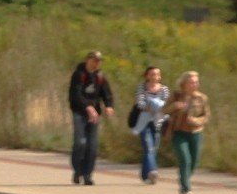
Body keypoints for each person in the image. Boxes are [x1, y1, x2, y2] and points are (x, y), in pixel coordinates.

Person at [66, 50, 114, 185]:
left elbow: (107, 93)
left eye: (99, 61)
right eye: (94, 60)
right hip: (80, 113)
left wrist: (109, 106)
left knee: (92, 146)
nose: (96, 63)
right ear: (88, 60)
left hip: (94, 115)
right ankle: (78, 170)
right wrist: (87, 107)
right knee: (80, 142)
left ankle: (87, 174)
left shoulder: (100, 76)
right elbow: (75, 95)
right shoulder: (79, 75)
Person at [165, 71, 211, 194]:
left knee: (194, 161)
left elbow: (206, 116)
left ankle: (183, 178)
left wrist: (196, 121)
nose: (194, 84)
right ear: (184, 83)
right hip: (179, 133)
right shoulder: (176, 96)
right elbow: (164, 110)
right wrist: (174, 106)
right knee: (185, 159)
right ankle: (186, 188)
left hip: (195, 133)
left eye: (196, 82)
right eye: (191, 82)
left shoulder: (201, 98)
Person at [125, 66, 170, 185]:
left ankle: (145, 175)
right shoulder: (142, 88)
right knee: (148, 145)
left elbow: (166, 104)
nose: (155, 76)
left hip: (158, 121)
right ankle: (153, 171)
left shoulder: (164, 89)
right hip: (144, 121)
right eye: (152, 74)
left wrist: (158, 107)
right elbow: (140, 103)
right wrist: (150, 107)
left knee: (153, 148)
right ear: (146, 76)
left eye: (157, 74)